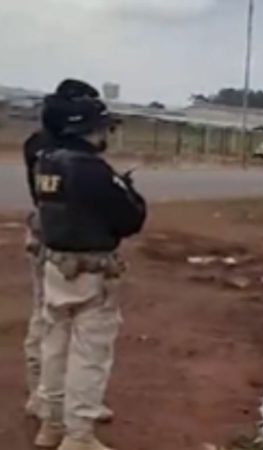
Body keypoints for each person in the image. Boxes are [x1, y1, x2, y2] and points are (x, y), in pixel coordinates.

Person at [33, 80, 147, 450]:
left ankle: (49, 424)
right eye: (104, 128)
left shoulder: (45, 161)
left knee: (54, 348)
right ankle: (78, 436)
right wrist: (128, 192)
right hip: (92, 273)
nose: (107, 135)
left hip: (55, 267)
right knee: (89, 355)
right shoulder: (91, 169)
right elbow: (130, 219)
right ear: (88, 130)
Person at [22, 80, 115, 424]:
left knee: (50, 322)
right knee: (62, 329)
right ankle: (50, 401)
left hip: (46, 232)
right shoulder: (68, 152)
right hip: (64, 240)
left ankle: (47, 402)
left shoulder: (41, 145)